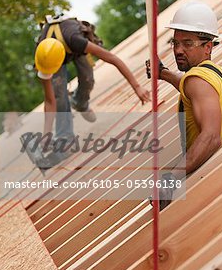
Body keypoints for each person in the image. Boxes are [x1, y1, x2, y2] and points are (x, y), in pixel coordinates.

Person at [146, 1, 222, 210]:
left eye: (187, 44)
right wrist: (163, 73)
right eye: (175, 43)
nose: (178, 50)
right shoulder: (212, 74)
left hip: (214, 183)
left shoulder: (198, 81)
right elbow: (190, 88)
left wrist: (173, 177)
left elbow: (211, 137)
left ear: (207, 47)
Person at [34, 14, 150, 167]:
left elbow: (112, 58)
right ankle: (65, 138)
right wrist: (46, 134)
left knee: (88, 78)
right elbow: (50, 101)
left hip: (71, 45)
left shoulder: (76, 41)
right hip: (55, 54)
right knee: (59, 95)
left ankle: (80, 102)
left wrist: (137, 86)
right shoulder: (43, 57)